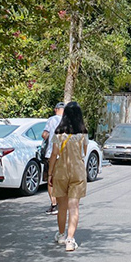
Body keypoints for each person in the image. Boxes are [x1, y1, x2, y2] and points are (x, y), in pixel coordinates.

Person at [48, 101, 88, 251]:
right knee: (74, 207)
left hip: (61, 170)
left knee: (62, 206)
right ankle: (70, 241)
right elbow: (83, 152)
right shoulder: (83, 133)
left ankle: (61, 235)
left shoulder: (59, 133)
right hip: (77, 171)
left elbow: (54, 154)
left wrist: (50, 173)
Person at [42, 102, 64, 214]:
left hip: (52, 153)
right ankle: (63, 203)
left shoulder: (51, 120)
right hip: (66, 155)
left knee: (51, 180)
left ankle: (54, 204)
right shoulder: (69, 121)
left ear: (56, 109)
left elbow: (44, 135)